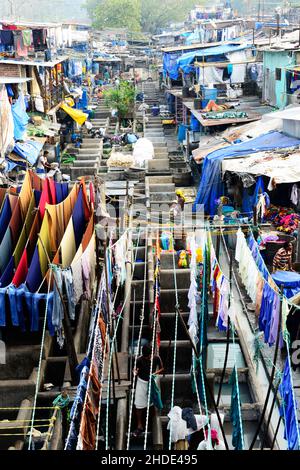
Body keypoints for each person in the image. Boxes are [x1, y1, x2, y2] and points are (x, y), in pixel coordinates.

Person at [133, 343, 163, 437]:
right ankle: (139, 425)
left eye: (150, 356)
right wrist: (135, 372)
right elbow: (135, 370)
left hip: (151, 382)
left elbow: (162, 368)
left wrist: (154, 373)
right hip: (141, 383)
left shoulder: (156, 358)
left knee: (153, 401)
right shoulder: (139, 360)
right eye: (147, 357)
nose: (149, 358)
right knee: (138, 404)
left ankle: (152, 423)